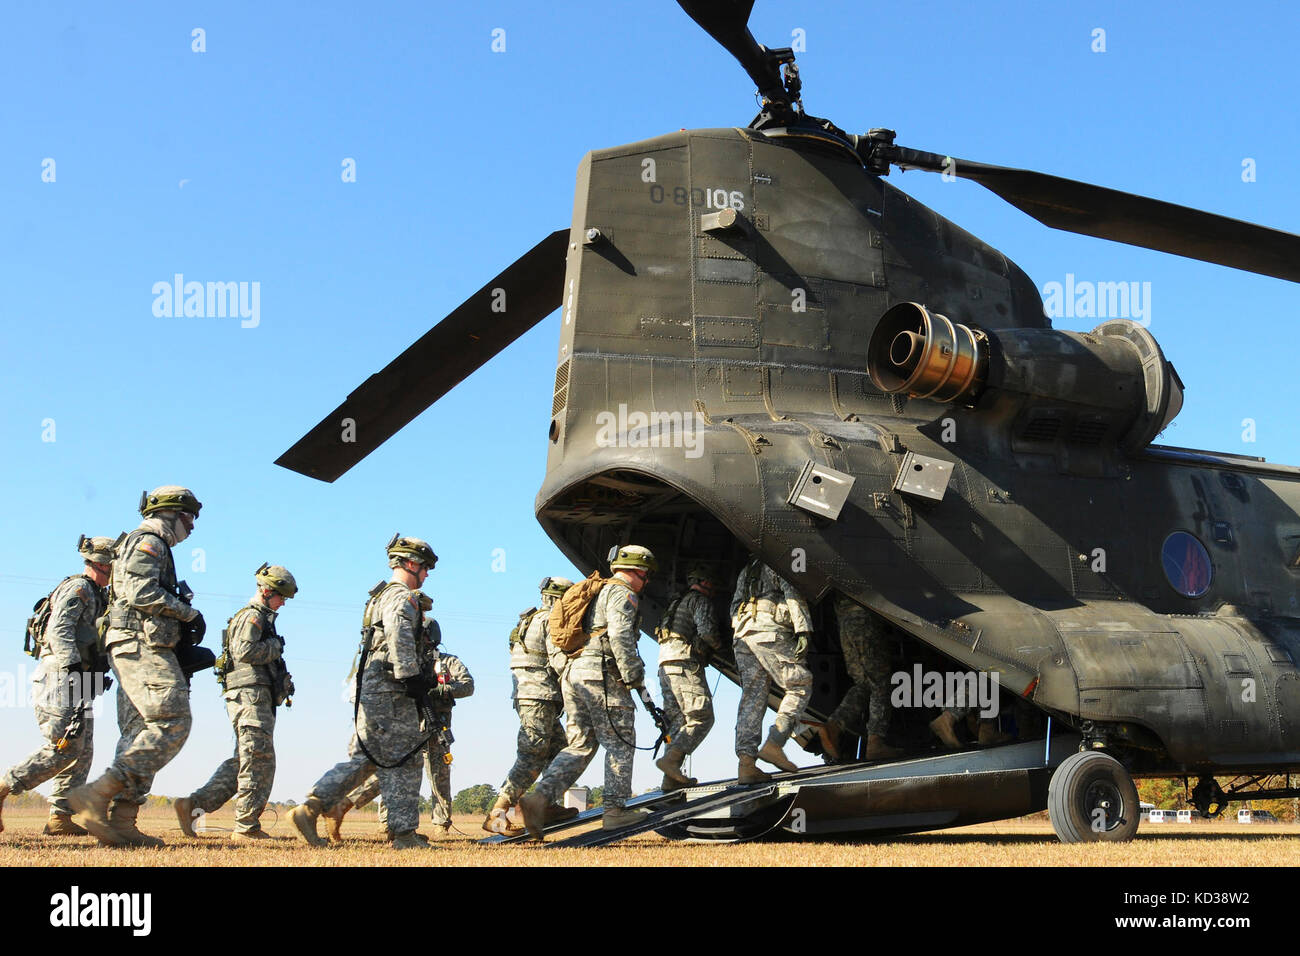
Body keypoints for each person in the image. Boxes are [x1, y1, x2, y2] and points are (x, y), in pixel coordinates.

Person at [69, 486, 205, 847]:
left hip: (138, 644)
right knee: (173, 722)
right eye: (190, 518)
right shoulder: (150, 541)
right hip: (139, 644)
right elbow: (141, 593)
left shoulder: (150, 544)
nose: (192, 527)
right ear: (173, 513)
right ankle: (98, 793)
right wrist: (187, 612)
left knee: (141, 733)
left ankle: (121, 822)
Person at [287, 535, 437, 850]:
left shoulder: (379, 596)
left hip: (373, 686)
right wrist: (411, 676)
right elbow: (398, 631)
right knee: (404, 758)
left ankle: (311, 807)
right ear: (411, 563)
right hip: (391, 688)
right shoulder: (402, 597)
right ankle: (405, 835)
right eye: (424, 568)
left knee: (367, 758)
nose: (426, 575)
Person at [518, 546, 656, 838]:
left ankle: (539, 798)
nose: (646, 581)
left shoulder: (598, 592)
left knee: (580, 744)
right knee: (620, 742)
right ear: (640, 571)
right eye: (647, 575)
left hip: (574, 673)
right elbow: (619, 635)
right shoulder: (622, 593)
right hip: (601, 676)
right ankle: (616, 811)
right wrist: (633, 675)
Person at [1, 536, 116, 837]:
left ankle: (60, 817)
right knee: (63, 748)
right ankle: (4, 786)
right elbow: (59, 630)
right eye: (113, 566)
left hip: (80, 681)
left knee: (83, 751)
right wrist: (74, 666)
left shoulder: (98, 594)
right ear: (102, 564)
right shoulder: (78, 589)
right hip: (60, 678)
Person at [175, 564, 298, 840]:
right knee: (258, 759)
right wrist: (276, 647)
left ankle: (193, 806)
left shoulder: (262, 618)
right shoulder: (252, 617)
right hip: (250, 695)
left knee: (244, 759)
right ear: (266, 591)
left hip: (254, 695)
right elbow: (244, 651)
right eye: (281, 596)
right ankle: (246, 826)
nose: (283, 603)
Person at [323, 628, 475, 842]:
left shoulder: (448, 661)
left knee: (439, 776)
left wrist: (440, 690)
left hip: (436, 726)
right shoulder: (407, 660)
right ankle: (386, 824)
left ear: (430, 637)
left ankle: (441, 824)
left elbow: (468, 685)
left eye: (421, 635)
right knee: (390, 774)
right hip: (408, 725)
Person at [482, 576, 578, 836]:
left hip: (531, 696)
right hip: (539, 697)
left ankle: (546, 805)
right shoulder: (550, 620)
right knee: (531, 756)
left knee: (561, 750)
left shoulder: (529, 619)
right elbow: (558, 659)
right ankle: (497, 814)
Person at [730, 556, 814, 783]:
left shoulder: (747, 570)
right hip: (769, 632)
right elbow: (792, 592)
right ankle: (775, 743)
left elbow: (734, 605)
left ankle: (746, 765)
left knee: (752, 696)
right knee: (800, 683)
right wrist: (804, 629)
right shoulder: (778, 561)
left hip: (742, 635)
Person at [653, 563, 721, 790]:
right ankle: (672, 760)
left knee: (677, 722)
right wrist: (719, 646)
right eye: (710, 582)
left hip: (664, 664)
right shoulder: (699, 601)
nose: (713, 587)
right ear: (703, 582)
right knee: (702, 716)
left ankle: (669, 780)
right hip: (684, 662)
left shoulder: (676, 603)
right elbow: (707, 633)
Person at [818, 594, 903, 763]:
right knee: (880, 681)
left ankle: (834, 725)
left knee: (863, 684)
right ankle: (875, 742)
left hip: (844, 623)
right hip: (863, 619)